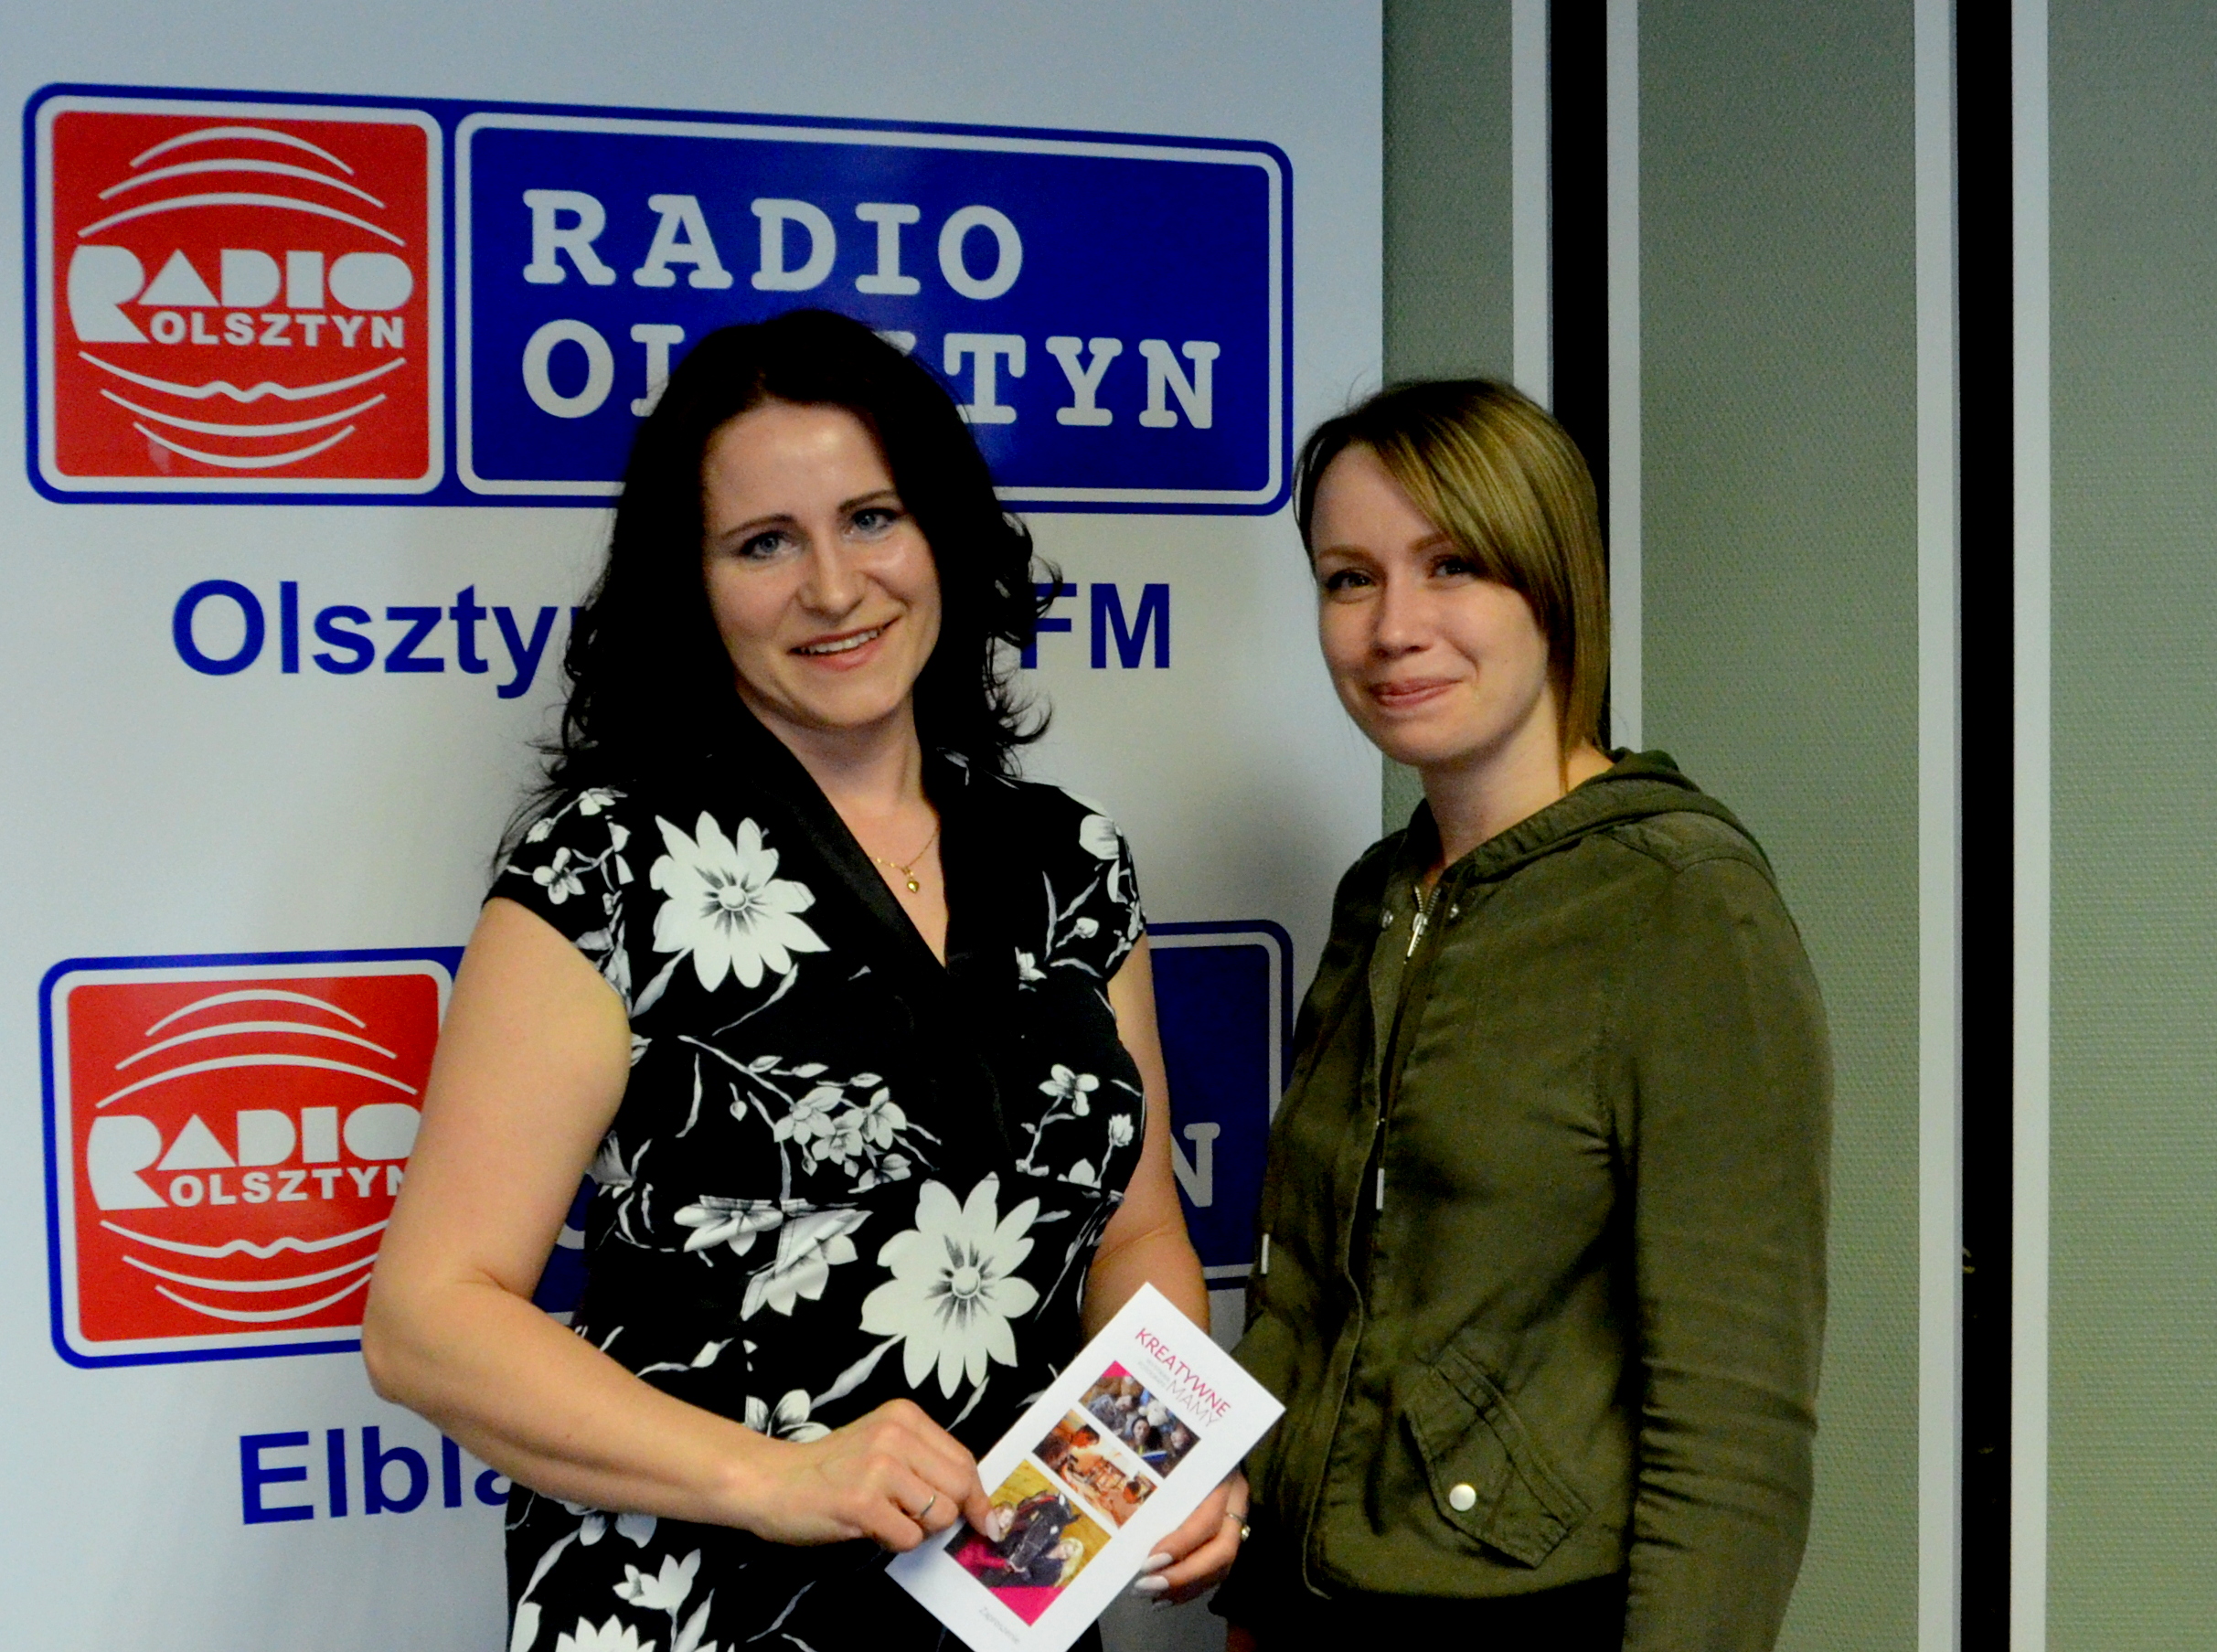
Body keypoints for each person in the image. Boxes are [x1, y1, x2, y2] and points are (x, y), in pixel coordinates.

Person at [361, 309, 1243, 1652]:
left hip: (1001, 1606)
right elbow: (427, 1321)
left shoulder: (1072, 860)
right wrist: (772, 1478)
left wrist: (1154, 1455)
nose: (833, 589)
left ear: (943, 533)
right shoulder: (610, 864)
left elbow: (1133, 1239)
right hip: (694, 1609)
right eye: (763, 543)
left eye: (872, 519)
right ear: (691, 583)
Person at [1215, 380, 1830, 1651]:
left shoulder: (1681, 906)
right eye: (1348, 579)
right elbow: (1309, 1303)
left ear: (1551, 586)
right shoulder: (1379, 897)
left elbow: (1734, 1429)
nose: (1394, 629)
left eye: (1451, 566)